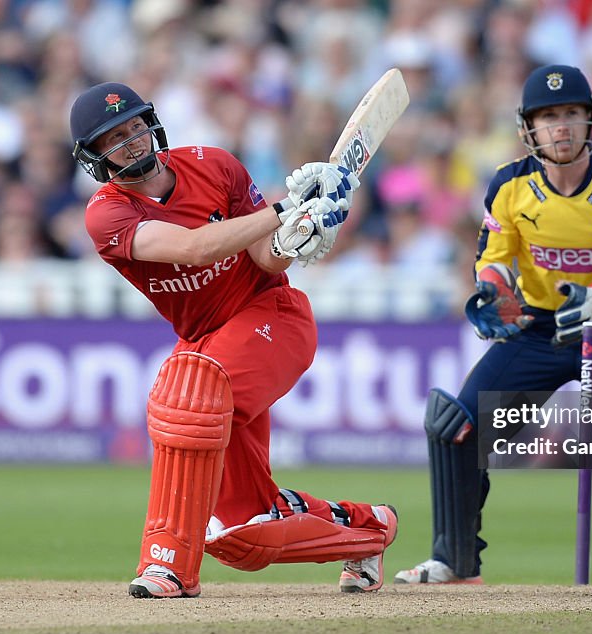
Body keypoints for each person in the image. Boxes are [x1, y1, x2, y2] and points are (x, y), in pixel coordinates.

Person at [69, 82, 397, 598]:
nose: (131, 141)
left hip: (273, 317)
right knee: (245, 533)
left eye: (134, 126)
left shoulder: (216, 165)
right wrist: (287, 208)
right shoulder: (106, 214)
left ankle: (167, 565)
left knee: (186, 398)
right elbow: (196, 248)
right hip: (209, 343)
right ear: (94, 157)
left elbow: (267, 258)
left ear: (151, 123)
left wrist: (295, 236)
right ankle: (366, 531)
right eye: (114, 138)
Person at [394, 65, 592, 588]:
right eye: (548, 118)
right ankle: (454, 560)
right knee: (455, 425)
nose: (560, 127)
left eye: (570, 114)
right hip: (541, 328)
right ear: (529, 129)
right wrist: (492, 292)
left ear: (591, 121)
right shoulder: (510, 185)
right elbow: (492, 257)